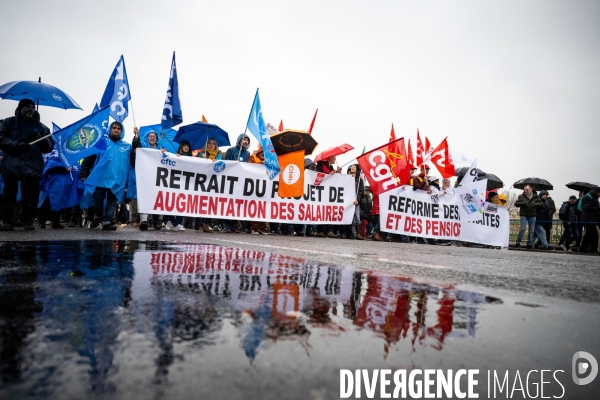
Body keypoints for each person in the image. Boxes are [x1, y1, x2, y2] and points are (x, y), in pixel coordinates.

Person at [0, 99, 54, 231]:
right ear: (20, 108)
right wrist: (16, 145)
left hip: (32, 165)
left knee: (31, 195)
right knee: (9, 194)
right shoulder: (8, 122)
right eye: (27, 107)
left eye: (33, 107)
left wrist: (38, 137)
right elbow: (1, 138)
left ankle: (27, 220)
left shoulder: (41, 128)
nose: (31, 109)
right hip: (12, 164)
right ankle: (7, 221)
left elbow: (49, 147)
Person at [81, 121, 132, 231]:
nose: (116, 130)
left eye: (119, 128)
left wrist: (136, 141)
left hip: (117, 179)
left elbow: (134, 159)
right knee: (98, 198)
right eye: (114, 127)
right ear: (110, 129)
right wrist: (84, 172)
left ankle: (107, 220)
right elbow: (89, 158)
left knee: (112, 201)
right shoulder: (101, 143)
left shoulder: (127, 147)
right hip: (101, 177)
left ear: (122, 131)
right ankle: (98, 216)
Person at [195, 138, 222, 232]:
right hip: (201, 180)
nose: (211, 145)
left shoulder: (219, 155)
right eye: (209, 143)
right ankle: (197, 221)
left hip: (213, 182)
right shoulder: (201, 154)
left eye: (213, 144)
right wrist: (202, 159)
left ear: (215, 146)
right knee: (200, 202)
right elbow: (194, 164)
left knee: (210, 203)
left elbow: (223, 166)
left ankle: (206, 224)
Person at [247, 145, 268, 234]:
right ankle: (254, 227)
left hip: (264, 187)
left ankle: (262, 227)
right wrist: (260, 164)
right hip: (254, 186)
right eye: (261, 153)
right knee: (254, 206)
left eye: (265, 153)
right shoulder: (252, 158)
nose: (263, 155)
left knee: (263, 208)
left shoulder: (269, 161)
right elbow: (248, 166)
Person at [579, 186, 600, 253]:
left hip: (592, 218)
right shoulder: (587, 197)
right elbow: (587, 208)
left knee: (588, 234)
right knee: (593, 234)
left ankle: (583, 248)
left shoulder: (594, 198)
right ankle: (592, 249)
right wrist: (598, 208)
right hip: (588, 219)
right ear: (597, 192)